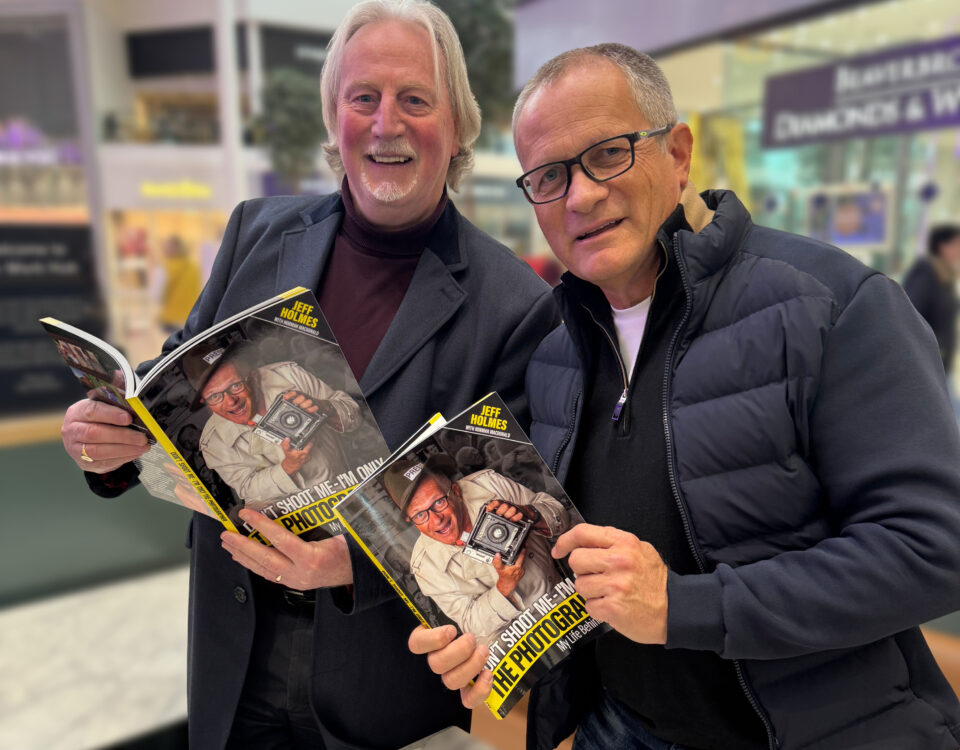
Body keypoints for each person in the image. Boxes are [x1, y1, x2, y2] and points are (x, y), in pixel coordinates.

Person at [410, 43, 960, 750]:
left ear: (677, 153)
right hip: (621, 729)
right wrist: (500, 638)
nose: (579, 195)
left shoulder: (831, 305)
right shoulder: (553, 349)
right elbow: (565, 564)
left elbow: (935, 549)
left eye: (607, 153)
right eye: (548, 176)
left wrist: (684, 606)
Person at [58, 2, 558, 748]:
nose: (386, 122)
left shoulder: (514, 303)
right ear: (335, 118)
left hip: (384, 687)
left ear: (457, 124)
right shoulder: (255, 236)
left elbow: (511, 528)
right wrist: (109, 445)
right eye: (364, 98)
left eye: (415, 99)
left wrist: (351, 564)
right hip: (236, 654)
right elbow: (170, 391)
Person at [385, 455, 567, 645]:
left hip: (566, 605)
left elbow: (560, 514)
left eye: (439, 502)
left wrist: (528, 513)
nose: (436, 520)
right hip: (522, 649)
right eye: (420, 515)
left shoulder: (488, 484)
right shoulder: (425, 566)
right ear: (410, 520)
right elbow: (470, 624)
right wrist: (504, 586)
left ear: (455, 491)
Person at [182, 340, 360, 509]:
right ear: (205, 401)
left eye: (235, 386)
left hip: (352, 490)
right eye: (214, 396)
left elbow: (354, 414)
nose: (230, 402)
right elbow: (248, 489)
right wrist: (288, 467)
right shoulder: (213, 443)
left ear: (252, 377)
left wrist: (323, 407)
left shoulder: (289, 374)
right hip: (304, 522)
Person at [903, 224, 960, 376]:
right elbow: (912, 312)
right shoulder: (926, 272)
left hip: (939, 361)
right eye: (957, 243)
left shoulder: (945, 275)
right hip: (928, 362)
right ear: (942, 246)